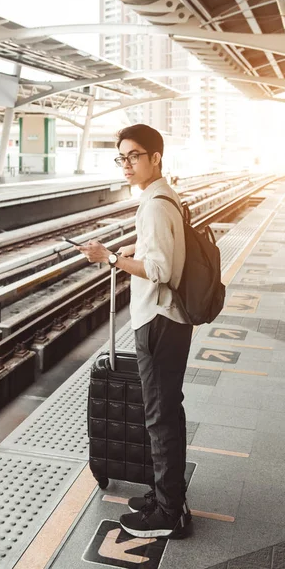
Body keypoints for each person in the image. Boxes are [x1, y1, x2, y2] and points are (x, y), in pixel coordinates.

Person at [77, 124, 193, 539]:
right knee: (164, 411)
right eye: (121, 157)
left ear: (156, 157)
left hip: (159, 322)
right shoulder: (160, 196)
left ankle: (168, 514)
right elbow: (162, 254)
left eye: (134, 156)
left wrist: (109, 258)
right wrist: (135, 251)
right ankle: (166, 494)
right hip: (166, 321)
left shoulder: (156, 204)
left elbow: (162, 271)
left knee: (160, 417)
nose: (126, 164)